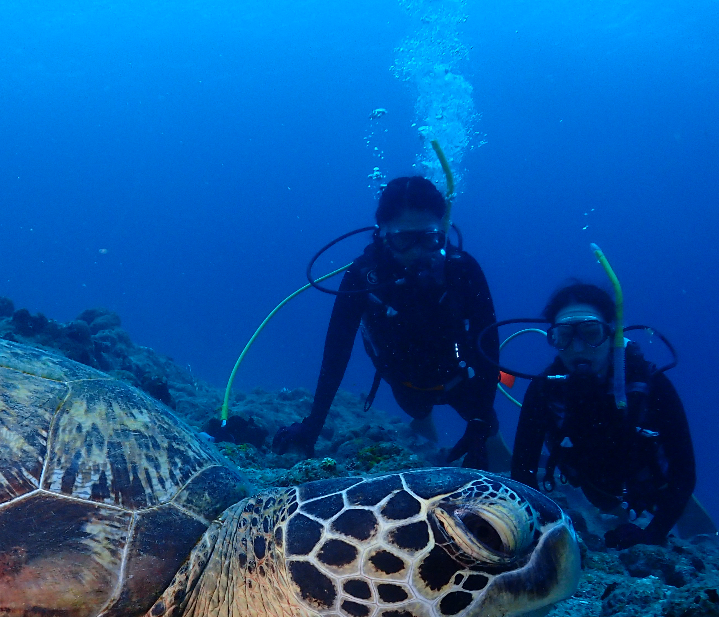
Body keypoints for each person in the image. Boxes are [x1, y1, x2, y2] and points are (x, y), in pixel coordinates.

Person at [273, 176, 500, 468]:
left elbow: (489, 345)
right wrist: (313, 424)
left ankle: (490, 435)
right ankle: (426, 422)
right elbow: (336, 352)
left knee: (486, 420)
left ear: (441, 231)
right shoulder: (362, 277)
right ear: (382, 234)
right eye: (404, 239)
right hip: (403, 383)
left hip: (457, 379)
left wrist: (479, 426)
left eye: (428, 238)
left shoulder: (463, 270)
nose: (418, 252)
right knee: (416, 408)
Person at [511, 282, 696, 548]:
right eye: (564, 336)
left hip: (644, 489)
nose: (578, 348)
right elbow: (522, 471)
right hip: (587, 483)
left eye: (590, 332)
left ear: (612, 333)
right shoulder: (544, 390)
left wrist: (652, 534)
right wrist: (541, 533)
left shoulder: (652, 387)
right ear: (553, 340)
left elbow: (685, 472)